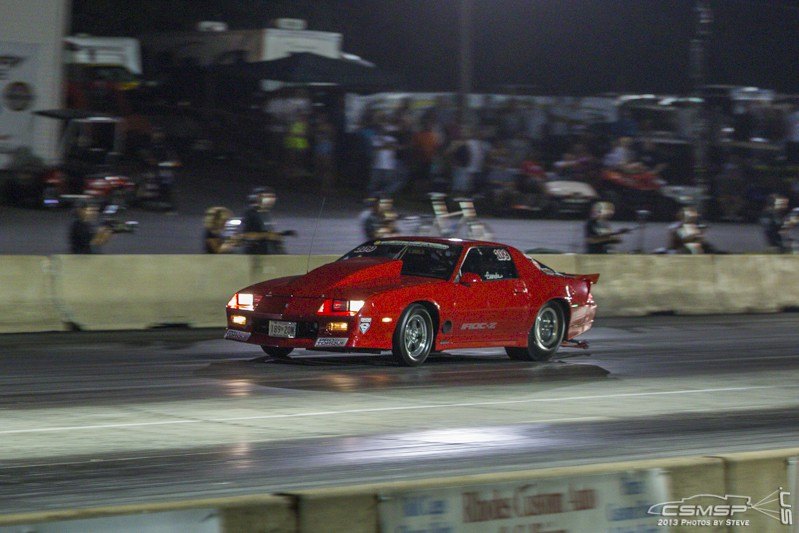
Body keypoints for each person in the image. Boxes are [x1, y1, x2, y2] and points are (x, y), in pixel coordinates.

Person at [240, 187, 294, 255]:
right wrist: (267, 235)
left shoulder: (266, 213)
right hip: (256, 253)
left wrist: (282, 234)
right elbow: (245, 235)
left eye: (273, 197)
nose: (271, 199)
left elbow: (266, 233)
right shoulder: (250, 213)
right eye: (268, 196)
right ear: (258, 197)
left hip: (269, 252)